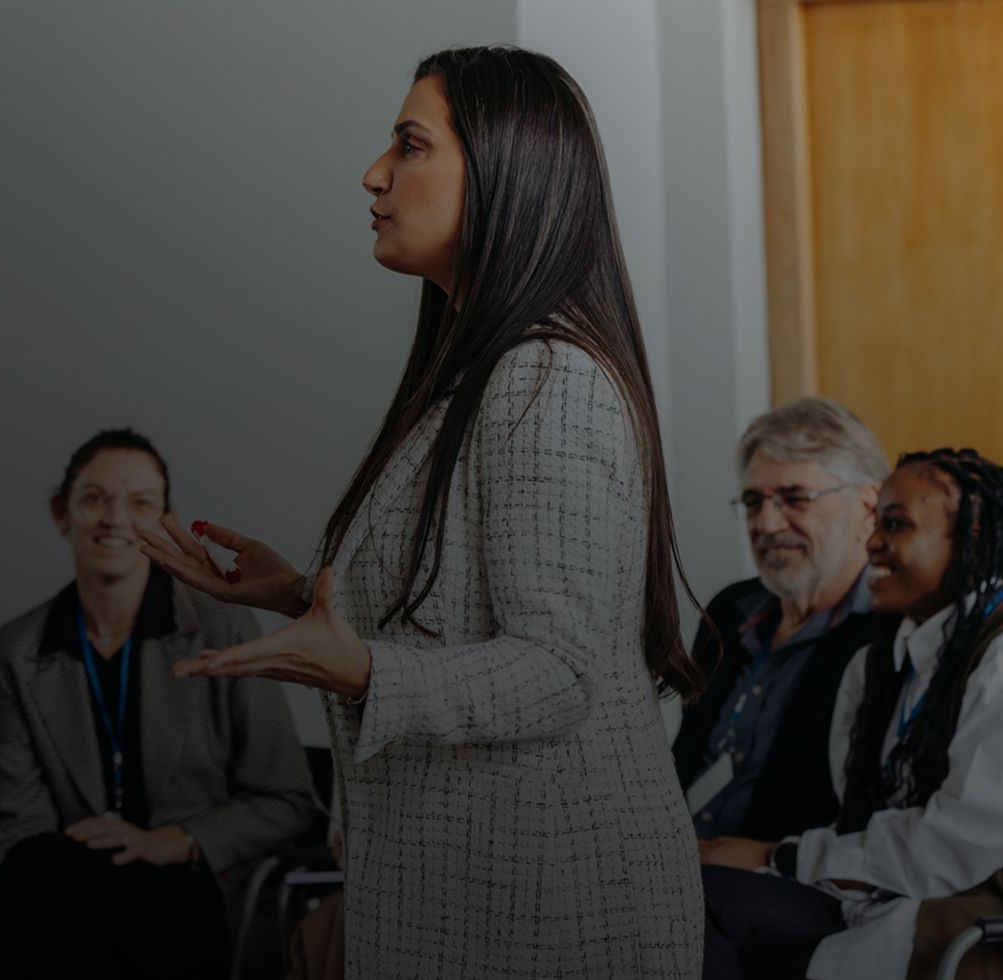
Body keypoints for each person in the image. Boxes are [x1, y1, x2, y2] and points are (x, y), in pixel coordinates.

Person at [136, 44, 704, 979]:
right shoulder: (482, 376)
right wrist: (295, 597)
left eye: (409, 145)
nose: (374, 173)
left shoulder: (548, 379)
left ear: (504, 172)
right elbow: (467, 617)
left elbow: (561, 669)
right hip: (486, 895)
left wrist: (361, 671)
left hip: (553, 910)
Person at [698, 449, 1003, 980]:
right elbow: (863, 817)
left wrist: (781, 857)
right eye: (875, 524)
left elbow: (948, 853)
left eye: (895, 524)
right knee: (688, 900)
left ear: (974, 540)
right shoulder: (880, 665)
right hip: (878, 905)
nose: (871, 543)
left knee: (721, 925)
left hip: (982, 937)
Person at [0, 430, 319, 979]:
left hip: (194, 891)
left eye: (140, 503)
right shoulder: (18, 649)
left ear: (163, 520)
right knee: (65, 932)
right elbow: (15, 823)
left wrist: (174, 840)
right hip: (63, 896)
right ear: (62, 513)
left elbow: (289, 800)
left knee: (43, 875)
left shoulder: (221, 623)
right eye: (95, 498)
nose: (114, 519)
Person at [678, 398, 898, 844]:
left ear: (869, 507)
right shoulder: (730, 610)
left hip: (786, 880)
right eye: (754, 502)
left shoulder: (891, 632)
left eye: (795, 498)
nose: (767, 522)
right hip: (675, 862)